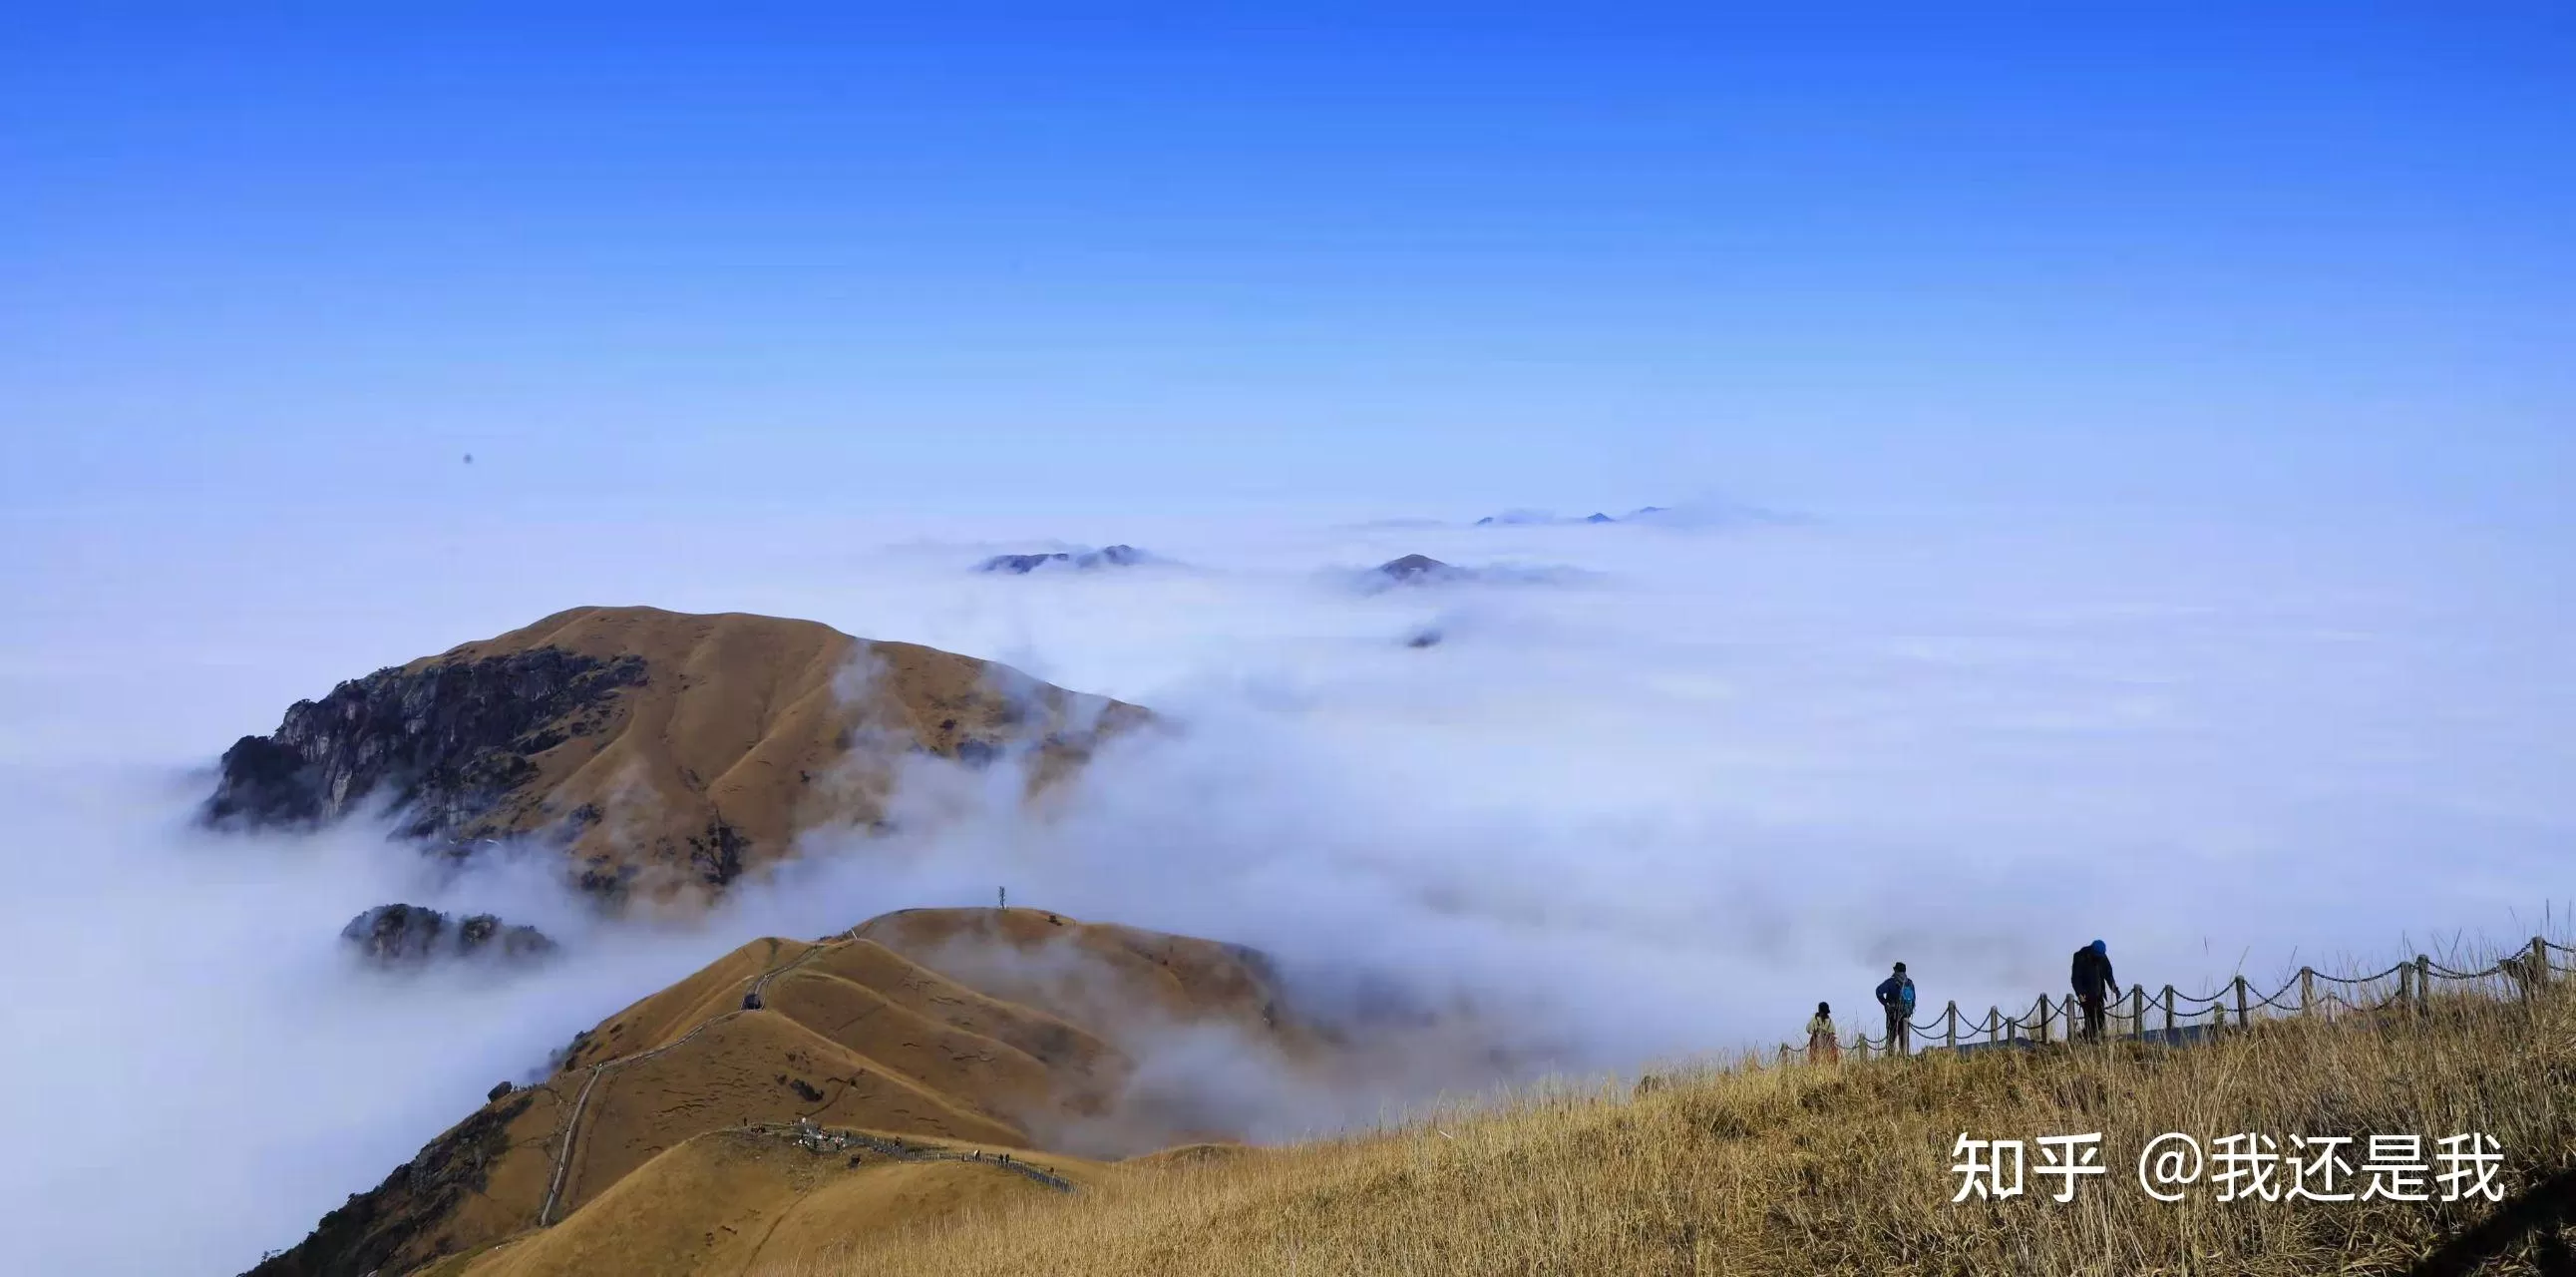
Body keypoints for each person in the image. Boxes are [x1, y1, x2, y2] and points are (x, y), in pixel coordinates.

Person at [2071, 939, 2120, 1042]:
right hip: (2086, 995)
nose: (2098, 959)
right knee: (2091, 1021)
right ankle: (2089, 1041)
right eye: (2097, 957)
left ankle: (2088, 1038)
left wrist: (2114, 988)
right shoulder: (2080, 956)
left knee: (2101, 1020)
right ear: (2092, 952)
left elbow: (2108, 974)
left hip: (2099, 993)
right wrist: (2079, 993)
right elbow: (2076, 978)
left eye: (2100, 957)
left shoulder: (2102, 958)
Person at [1875, 963, 1916, 1054]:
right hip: (1906, 1014)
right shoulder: (1910, 983)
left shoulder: (1891, 982)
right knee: (1903, 1036)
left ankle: (1890, 1056)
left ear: (1896, 970)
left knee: (1891, 1036)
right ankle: (1904, 1056)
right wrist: (1909, 1009)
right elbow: (1913, 999)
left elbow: (1878, 991)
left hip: (1893, 1014)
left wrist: (1886, 1004)